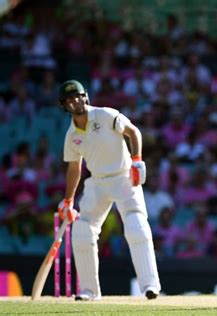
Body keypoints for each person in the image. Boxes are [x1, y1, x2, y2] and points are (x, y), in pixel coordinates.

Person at [56, 80, 161, 301]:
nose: (75, 101)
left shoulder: (105, 115)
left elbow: (133, 132)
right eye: (69, 99)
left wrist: (137, 161)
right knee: (82, 229)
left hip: (124, 177)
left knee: (136, 225)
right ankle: (89, 291)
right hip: (98, 182)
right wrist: (68, 200)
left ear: (85, 96)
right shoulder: (71, 136)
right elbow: (74, 168)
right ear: (64, 106)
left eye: (78, 96)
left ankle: (150, 286)